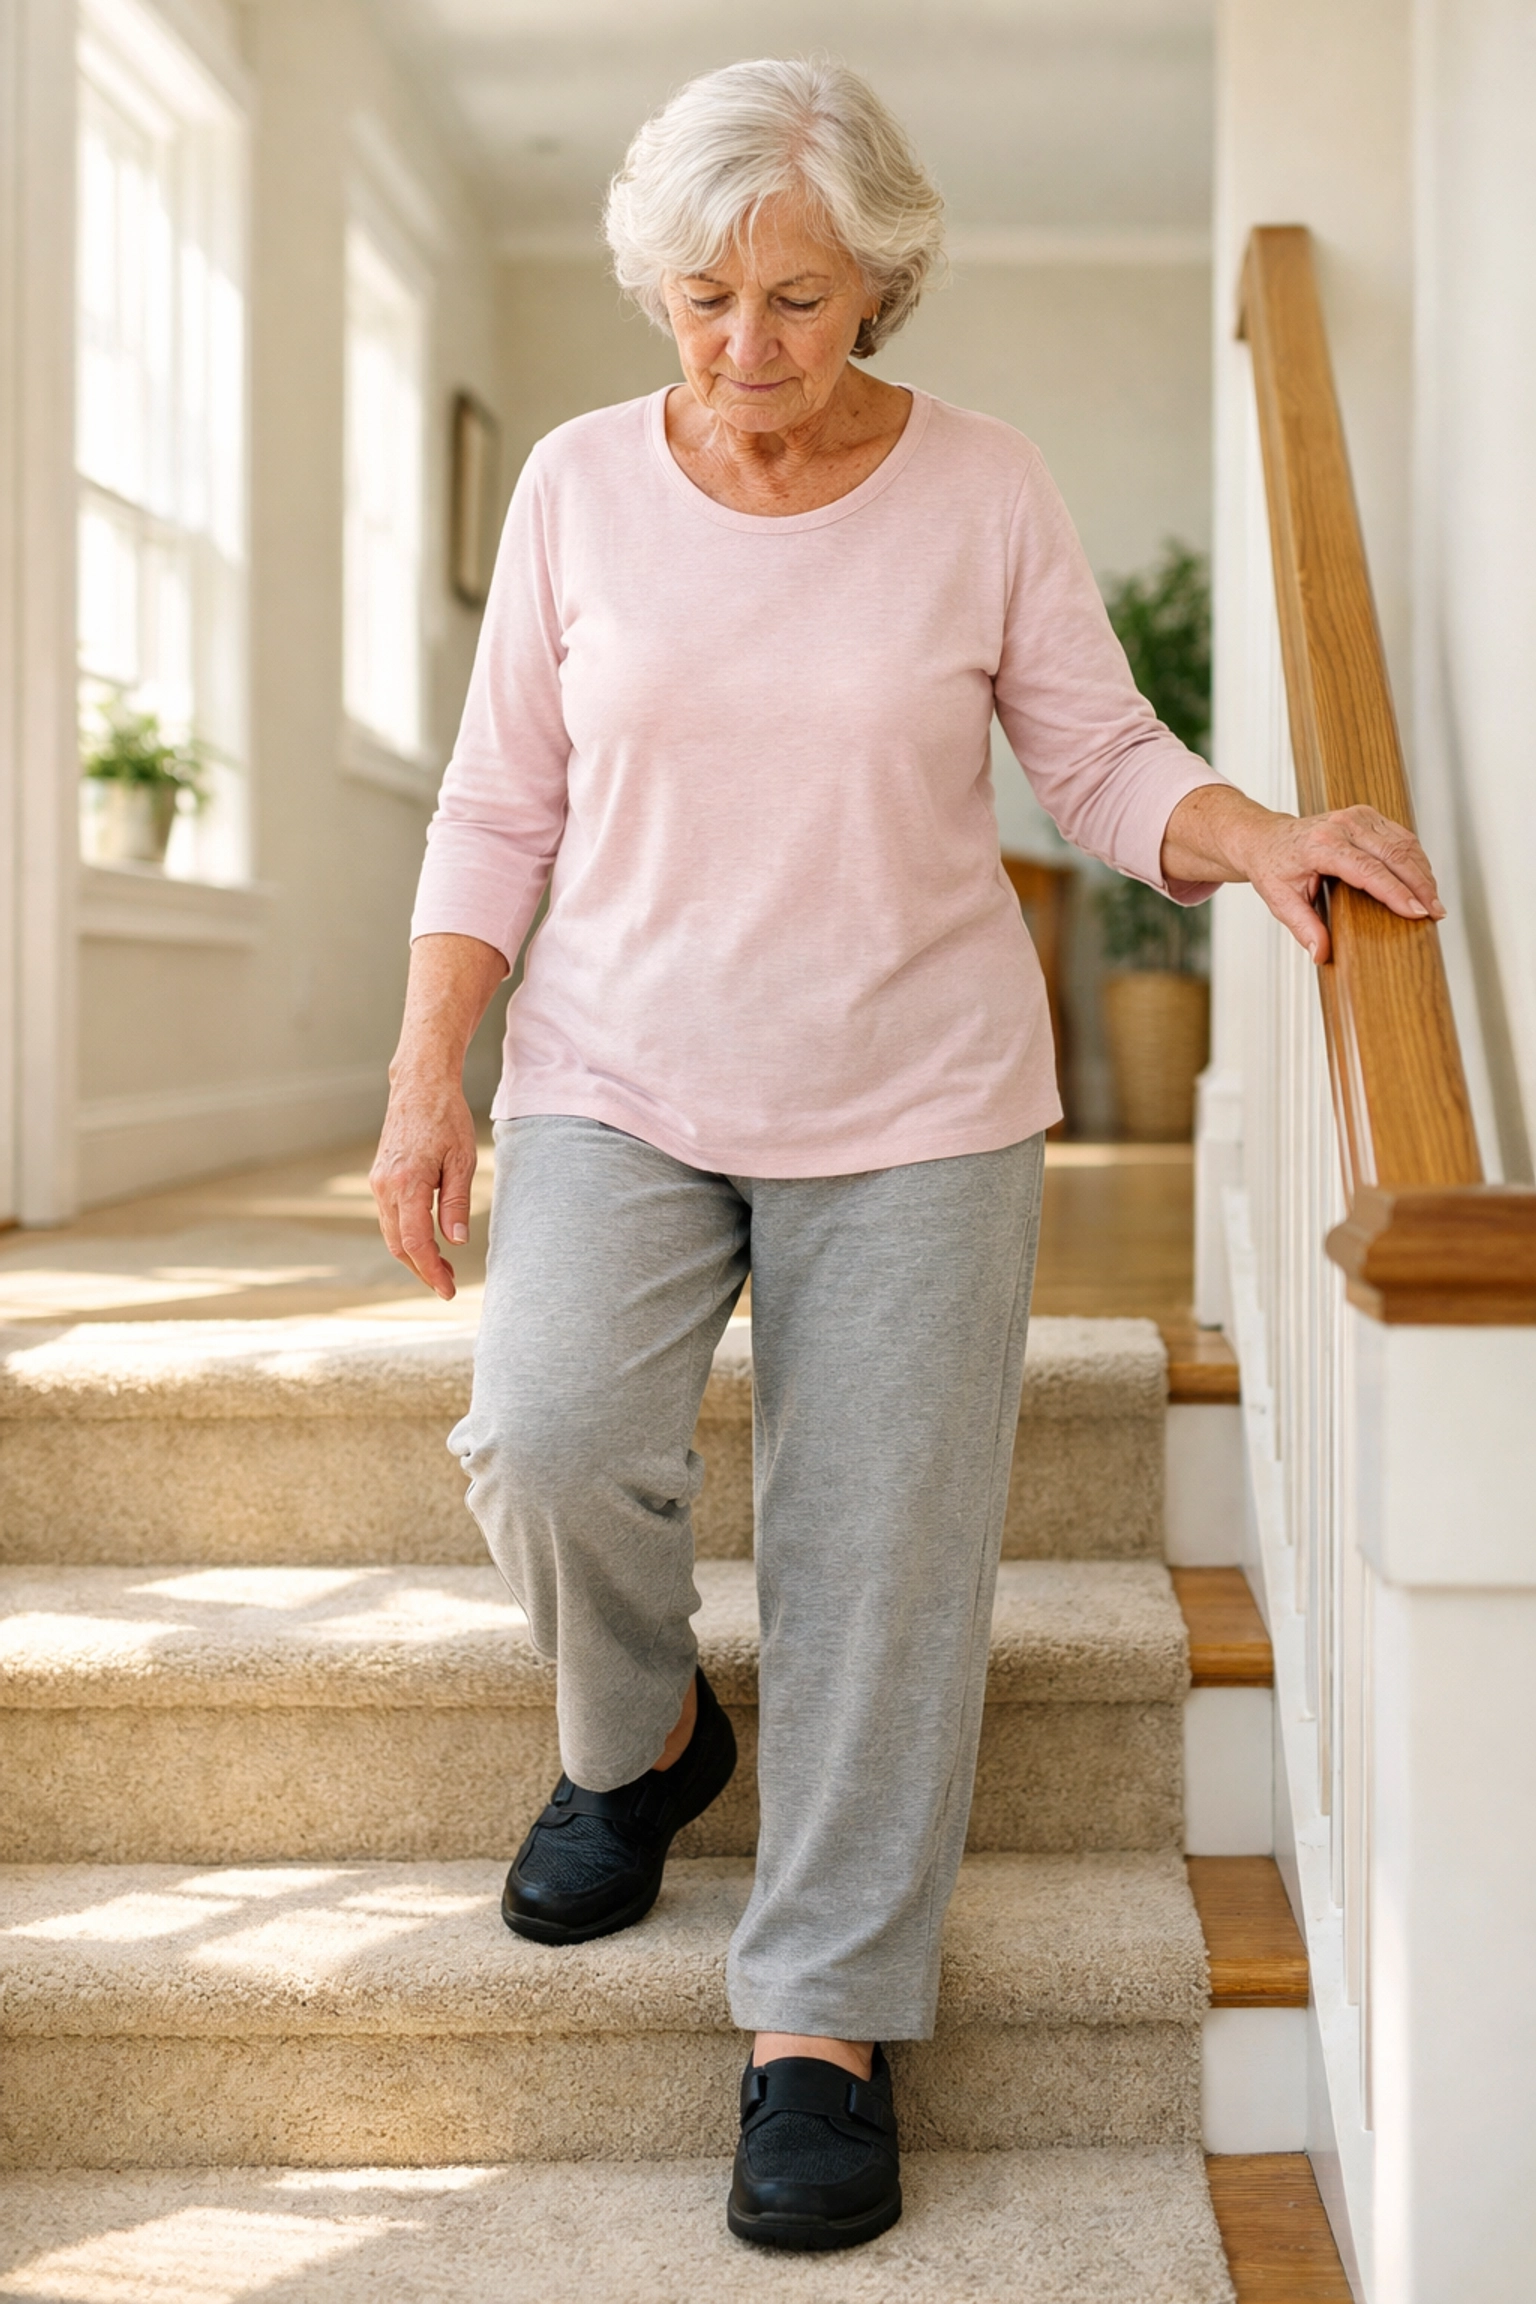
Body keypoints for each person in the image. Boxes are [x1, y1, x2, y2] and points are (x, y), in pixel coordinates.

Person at [371, 57, 1444, 2254]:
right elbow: (500, 805)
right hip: (617, 1068)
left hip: (919, 1095)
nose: (744, 351)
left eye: (798, 299)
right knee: (548, 1432)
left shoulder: (981, 488)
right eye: (701, 297)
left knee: (883, 1555)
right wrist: (423, 1078)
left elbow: (1098, 745)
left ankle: (823, 2027)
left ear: (884, 283)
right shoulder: (580, 485)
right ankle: (643, 1733)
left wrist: (1254, 841)